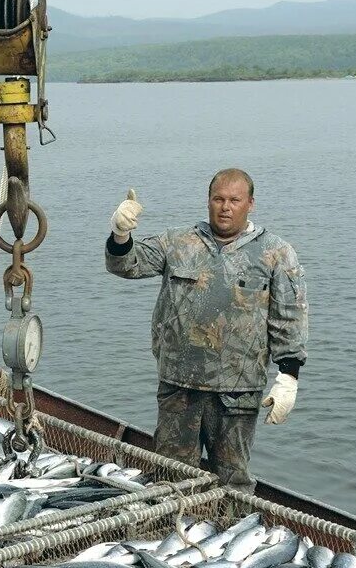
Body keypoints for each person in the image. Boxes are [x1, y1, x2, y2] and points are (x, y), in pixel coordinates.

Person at [104, 168, 308, 492]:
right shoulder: (177, 243)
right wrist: (119, 235)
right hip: (179, 385)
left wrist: (289, 377)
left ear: (250, 204)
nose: (225, 207)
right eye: (218, 199)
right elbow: (125, 265)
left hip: (237, 392)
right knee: (170, 477)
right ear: (208, 202)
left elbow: (289, 319)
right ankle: (171, 536)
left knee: (232, 482)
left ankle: (230, 532)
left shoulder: (276, 254)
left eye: (234, 200)